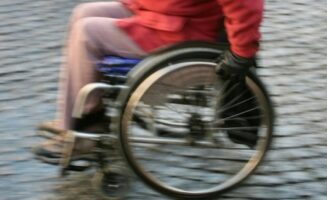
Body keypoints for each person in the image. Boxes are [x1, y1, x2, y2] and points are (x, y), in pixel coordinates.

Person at [33, 0, 264, 164]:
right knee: (82, 12)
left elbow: (246, 4)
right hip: (154, 12)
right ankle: (76, 120)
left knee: (87, 32)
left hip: (178, 33)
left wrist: (242, 52)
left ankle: (83, 130)